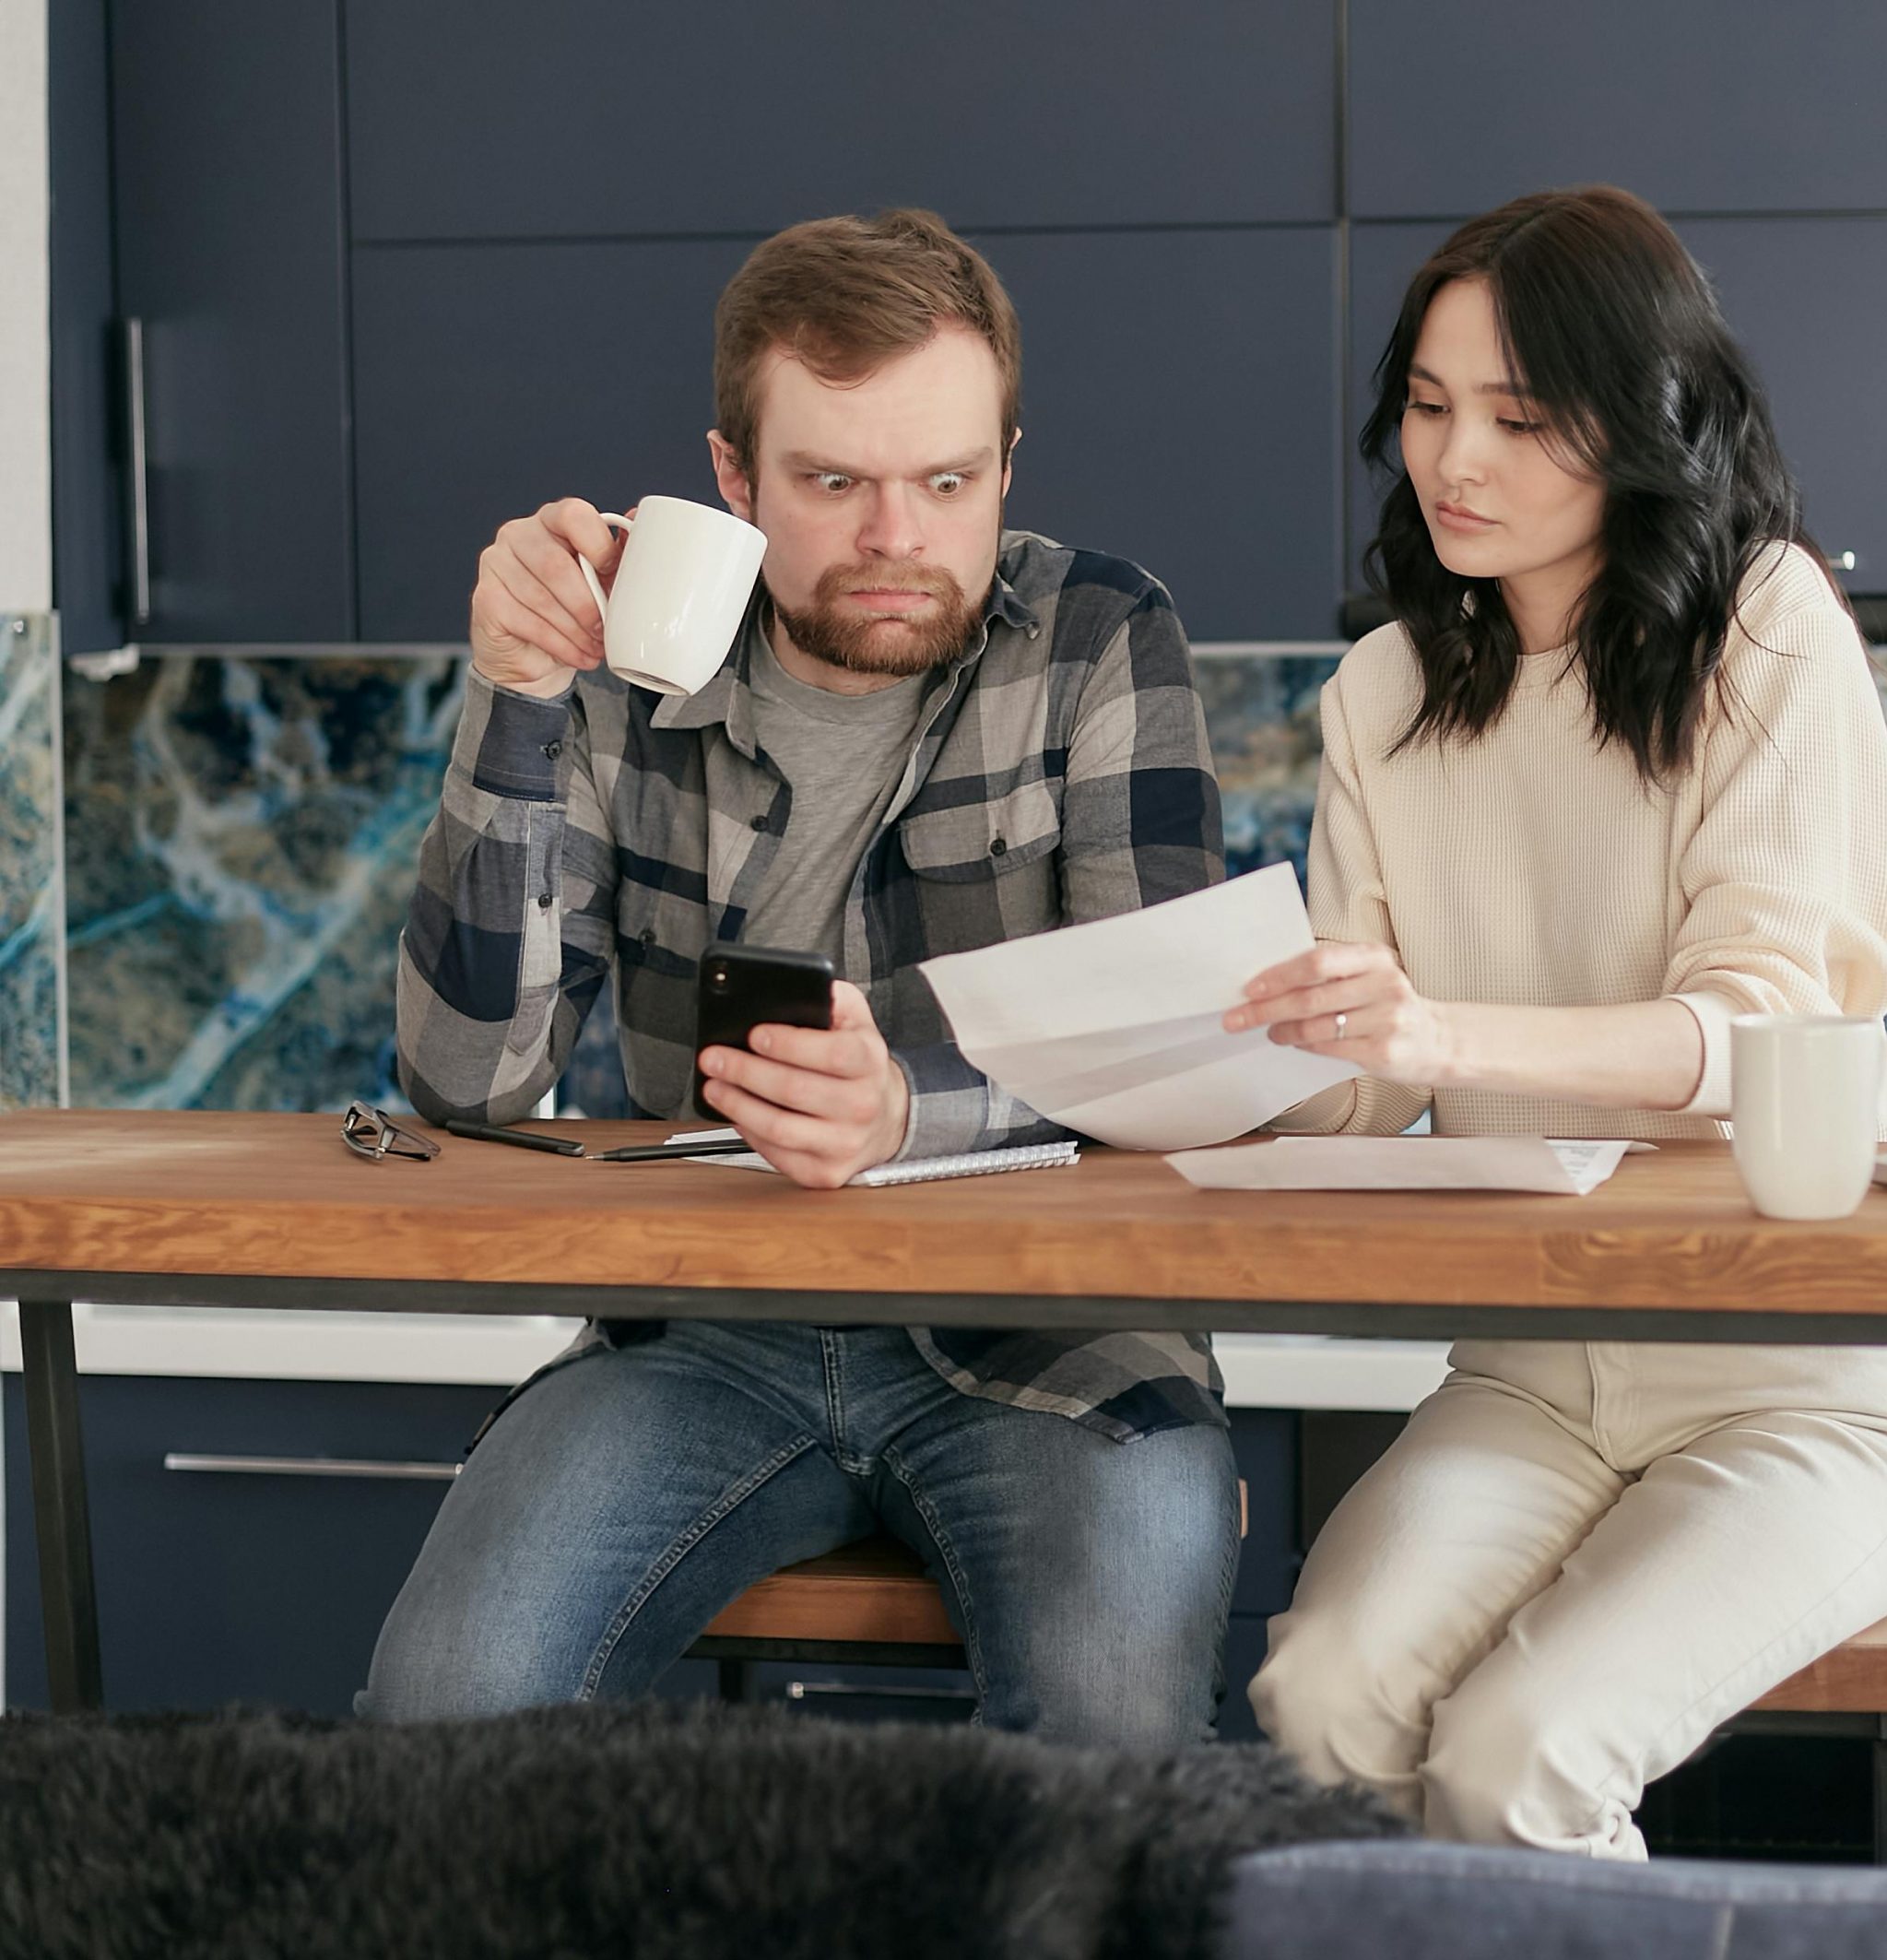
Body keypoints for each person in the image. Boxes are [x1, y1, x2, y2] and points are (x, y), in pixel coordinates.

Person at [364, 209, 1238, 1742]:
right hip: (702, 1325)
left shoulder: (1102, 637)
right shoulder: (627, 671)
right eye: (834, 482)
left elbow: (1170, 1048)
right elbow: (464, 1077)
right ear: (733, 480)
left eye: (947, 481)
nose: (898, 535)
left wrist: (917, 1112)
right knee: (446, 1711)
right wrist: (511, 700)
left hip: (1059, 1330)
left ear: (1009, 464)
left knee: (1113, 1734)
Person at [1229, 186, 1887, 1856]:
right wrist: (1230, 1046)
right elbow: (1350, 1098)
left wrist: (1437, 1040)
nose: (1454, 461)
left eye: (1519, 416)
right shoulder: (1382, 692)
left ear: (1645, 423)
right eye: (1427, 406)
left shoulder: (1768, 628)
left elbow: (1759, 1023)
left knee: (1521, 1758)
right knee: (1320, 1701)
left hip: (1803, 1381)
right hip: (1534, 1364)